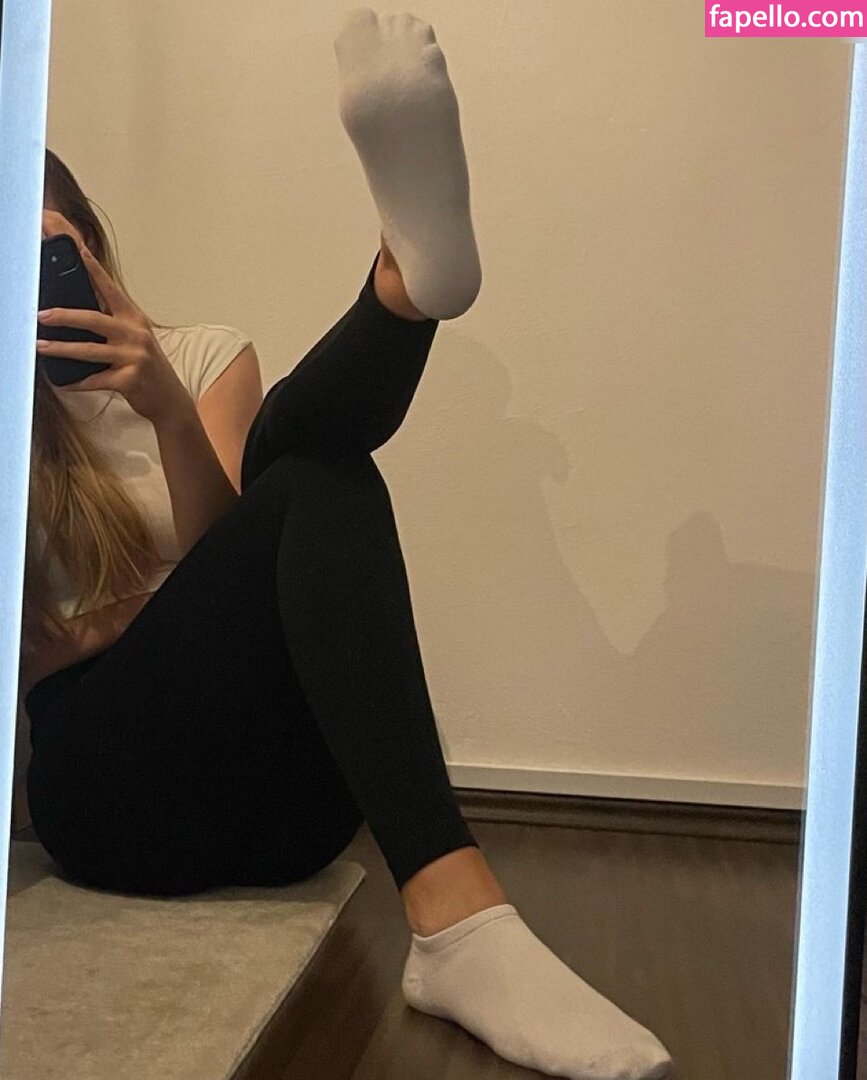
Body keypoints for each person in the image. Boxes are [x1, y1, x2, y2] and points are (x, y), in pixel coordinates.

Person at [20, 11, 671, 1080]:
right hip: (108, 802)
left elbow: (232, 564)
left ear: (88, 239)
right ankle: (402, 296)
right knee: (309, 476)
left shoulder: (203, 359)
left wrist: (166, 408)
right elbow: (29, 657)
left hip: (289, 812)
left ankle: (411, 283)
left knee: (312, 470)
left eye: (49, 248)